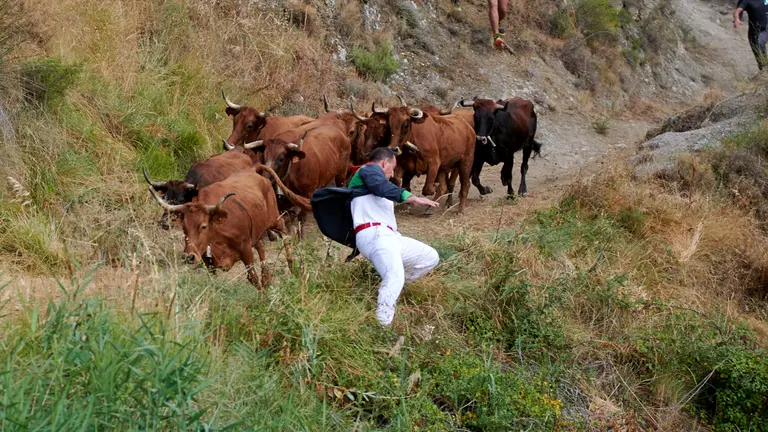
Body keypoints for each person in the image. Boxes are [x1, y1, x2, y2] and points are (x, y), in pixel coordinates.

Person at [348, 147, 440, 326]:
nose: (393, 172)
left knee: (430, 257)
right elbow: (381, 186)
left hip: (390, 237)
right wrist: (412, 198)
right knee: (395, 275)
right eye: (393, 167)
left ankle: (389, 289)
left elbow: (382, 189)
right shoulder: (368, 170)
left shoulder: (376, 182)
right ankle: (383, 325)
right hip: (375, 234)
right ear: (384, 163)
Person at [733, 0, 768, 71]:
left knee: (760, 45)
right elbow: (738, 10)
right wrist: (737, 19)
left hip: (765, 30)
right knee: (758, 52)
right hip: (754, 33)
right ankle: (764, 70)